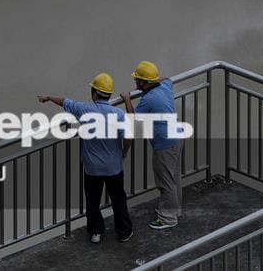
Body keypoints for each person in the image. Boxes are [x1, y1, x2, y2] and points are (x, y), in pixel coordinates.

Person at [38, 72, 133, 244]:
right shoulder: (118, 114)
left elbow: (65, 102)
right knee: (118, 199)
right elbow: (128, 137)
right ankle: (124, 232)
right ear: (109, 94)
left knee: (92, 201)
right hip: (114, 167)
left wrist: (48, 97)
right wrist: (124, 152)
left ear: (94, 93)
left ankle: (96, 231)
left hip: (92, 168)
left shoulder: (84, 110)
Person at [121, 60, 181, 230]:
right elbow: (167, 78)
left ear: (144, 82)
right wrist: (152, 80)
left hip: (164, 145)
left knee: (165, 182)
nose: (136, 84)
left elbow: (133, 119)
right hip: (176, 138)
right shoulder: (164, 87)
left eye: (137, 80)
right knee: (173, 178)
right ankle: (174, 210)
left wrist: (127, 99)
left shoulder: (149, 99)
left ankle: (167, 218)